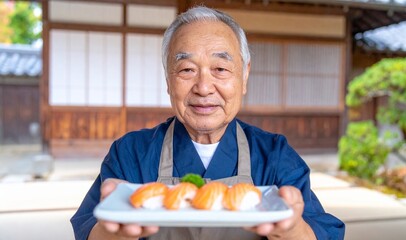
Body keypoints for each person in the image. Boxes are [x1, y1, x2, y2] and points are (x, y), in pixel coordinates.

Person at [71, 6, 345, 240]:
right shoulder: (130, 153)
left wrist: (292, 229)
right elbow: (90, 232)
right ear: (168, 79)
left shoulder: (274, 155)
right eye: (187, 69)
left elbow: (319, 231)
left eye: (220, 69)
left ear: (245, 76)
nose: (203, 87)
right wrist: (115, 232)